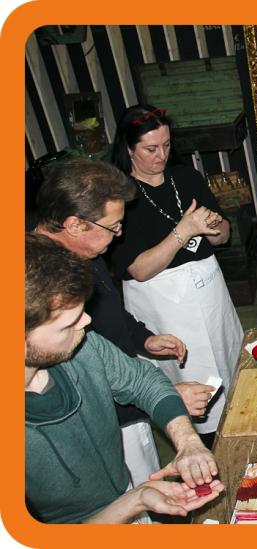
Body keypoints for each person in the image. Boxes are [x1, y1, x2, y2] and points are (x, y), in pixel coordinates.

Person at [33, 157, 215, 487]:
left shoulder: (88, 253)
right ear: (74, 224)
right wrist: (156, 403)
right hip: (100, 432)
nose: (119, 235)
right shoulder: (38, 286)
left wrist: (143, 339)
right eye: (113, 226)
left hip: (125, 396)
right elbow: (77, 399)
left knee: (143, 484)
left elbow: (112, 315)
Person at [25, 233, 223, 523]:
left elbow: (143, 381)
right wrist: (132, 503)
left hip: (124, 495)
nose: (87, 322)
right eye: (68, 323)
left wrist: (188, 442)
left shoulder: (83, 346)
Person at [110, 105, 244, 446]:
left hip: (210, 294)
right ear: (129, 149)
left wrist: (215, 227)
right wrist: (184, 230)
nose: (162, 155)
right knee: (192, 383)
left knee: (229, 364)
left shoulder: (186, 177)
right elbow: (139, 269)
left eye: (167, 145)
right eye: (151, 149)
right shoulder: (118, 196)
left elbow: (223, 236)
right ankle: (203, 446)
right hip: (165, 305)